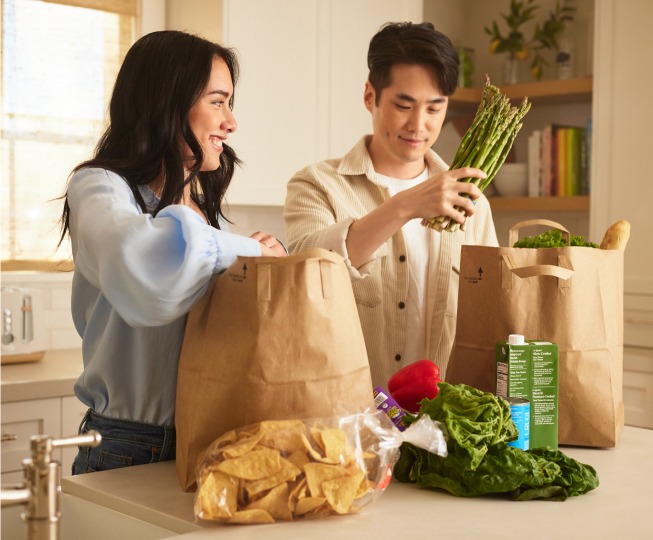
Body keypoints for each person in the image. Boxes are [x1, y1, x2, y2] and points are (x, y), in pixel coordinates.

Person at [58, 30, 287, 474]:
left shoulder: (200, 211)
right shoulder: (100, 188)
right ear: (168, 102)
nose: (231, 122)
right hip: (130, 444)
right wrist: (252, 255)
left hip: (212, 437)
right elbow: (148, 272)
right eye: (218, 102)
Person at [284, 22, 498, 389]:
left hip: (444, 420)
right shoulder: (316, 184)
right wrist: (405, 206)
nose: (419, 125)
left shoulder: (470, 197)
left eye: (434, 108)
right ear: (370, 96)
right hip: (349, 416)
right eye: (404, 105)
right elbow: (305, 274)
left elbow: (490, 310)